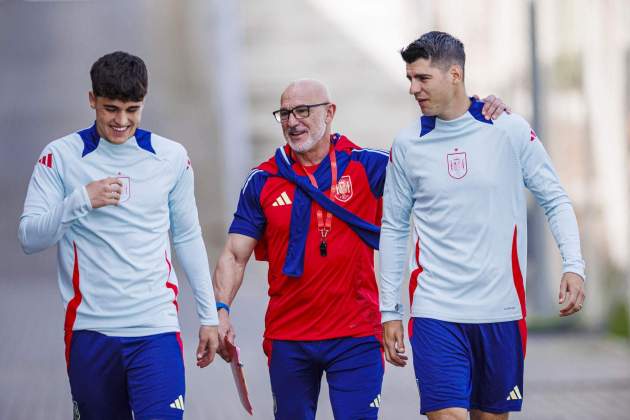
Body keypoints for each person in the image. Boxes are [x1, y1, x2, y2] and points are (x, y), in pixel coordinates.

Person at [212, 79, 508, 420]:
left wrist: (472, 111)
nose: (293, 122)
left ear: (330, 112)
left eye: (303, 111)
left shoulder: (367, 166)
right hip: (288, 337)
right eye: (285, 113)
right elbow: (235, 254)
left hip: (356, 335)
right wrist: (220, 311)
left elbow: (433, 157)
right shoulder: (262, 180)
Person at [379, 31, 586, 420]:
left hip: (500, 311)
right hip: (435, 310)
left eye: (422, 78)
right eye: (409, 78)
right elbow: (393, 228)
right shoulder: (407, 144)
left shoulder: (507, 129)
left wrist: (573, 264)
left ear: (454, 74)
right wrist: (389, 310)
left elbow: (554, 197)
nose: (413, 89)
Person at [18, 51, 219, 420]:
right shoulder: (60, 156)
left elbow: (188, 237)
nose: (121, 121)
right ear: (92, 100)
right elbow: (29, 237)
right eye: (111, 109)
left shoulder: (170, 157)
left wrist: (210, 316)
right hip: (90, 330)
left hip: (155, 328)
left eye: (132, 109)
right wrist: (80, 201)